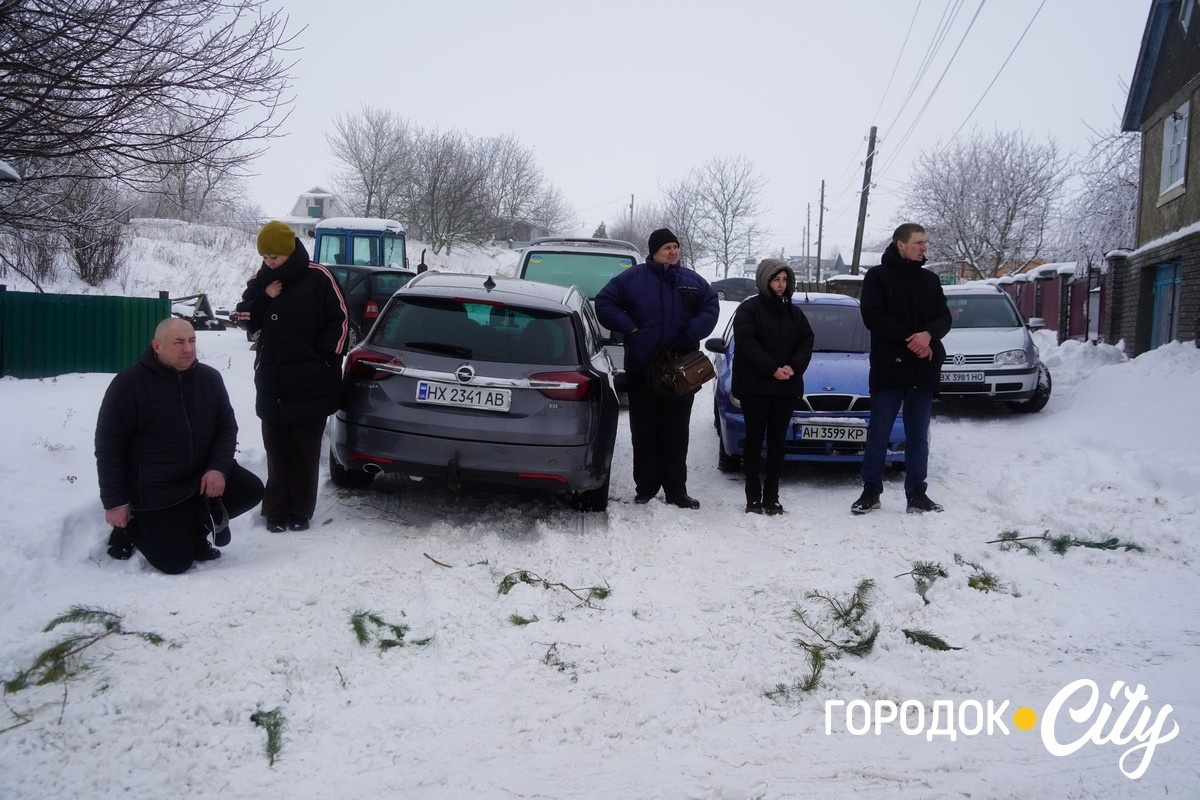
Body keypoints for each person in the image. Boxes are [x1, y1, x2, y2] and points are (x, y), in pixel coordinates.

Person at [95, 318, 265, 574]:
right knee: (175, 563)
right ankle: (132, 528)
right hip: (155, 489)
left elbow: (226, 428)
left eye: (192, 341)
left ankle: (196, 532)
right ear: (157, 346)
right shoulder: (128, 386)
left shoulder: (209, 379)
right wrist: (115, 500)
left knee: (250, 488)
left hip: (198, 479)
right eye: (178, 342)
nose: (188, 348)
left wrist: (217, 468)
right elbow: (109, 446)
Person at [596, 228, 719, 509]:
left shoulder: (690, 280)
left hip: (680, 371)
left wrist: (691, 333)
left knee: (676, 434)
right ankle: (647, 489)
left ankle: (677, 491)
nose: (673, 251)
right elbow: (604, 302)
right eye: (667, 247)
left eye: (675, 246)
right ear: (653, 251)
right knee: (645, 432)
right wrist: (630, 327)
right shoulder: (633, 278)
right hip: (643, 370)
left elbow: (711, 305)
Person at [237, 220, 348, 533]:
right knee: (277, 450)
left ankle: (299, 510)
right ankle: (274, 510)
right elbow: (243, 317)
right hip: (273, 382)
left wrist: (324, 360)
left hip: (312, 381)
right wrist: (264, 297)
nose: (270, 262)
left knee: (304, 452)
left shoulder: (319, 277)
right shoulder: (260, 280)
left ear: (289, 251)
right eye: (266, 257)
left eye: (276, 257)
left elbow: (339, 321)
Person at [851, 223, 953, 515]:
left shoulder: (930, 281)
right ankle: (871, 491)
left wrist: (929, 335)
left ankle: (917, 493)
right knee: (879, 432)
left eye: (925, 243)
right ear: (900, 244)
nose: (924, 248)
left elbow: (944, 316)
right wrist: (914, 339)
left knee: (918, 435)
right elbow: (873, 316)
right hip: (889, 368)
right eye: (919, 242)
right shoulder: (877, 277)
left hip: (923, 368)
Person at [732, 259, 814, 515]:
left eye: (785, 280)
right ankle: (753, 497)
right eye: (776, 279)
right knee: (755, 441)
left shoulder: (794, 312)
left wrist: (793, 367)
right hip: (755, 388)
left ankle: (772, 496)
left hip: (785, 389)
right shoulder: (749, 310)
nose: (781, 285)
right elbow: (747, 344)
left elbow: (806, 340)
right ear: (765, 281)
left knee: (778, 443)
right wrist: (772, 369)